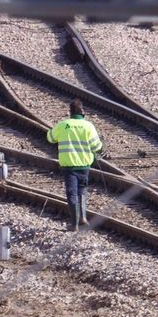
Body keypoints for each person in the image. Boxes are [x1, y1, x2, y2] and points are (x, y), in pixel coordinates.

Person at [46, 99, 103, 231]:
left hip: (69, 166)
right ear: (82, 112)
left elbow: (50, 138)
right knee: (82, 191)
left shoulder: (63, 125)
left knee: (72, 193)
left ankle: (74, 224)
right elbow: (97, 146)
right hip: (84, 166)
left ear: (70, 112)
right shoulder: (88, 126)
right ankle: (83, 218)